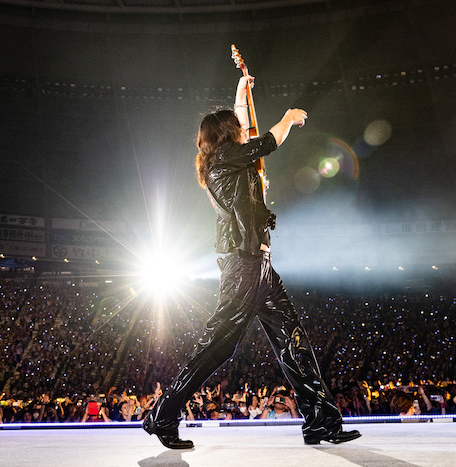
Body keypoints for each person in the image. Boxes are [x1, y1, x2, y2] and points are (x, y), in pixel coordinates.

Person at [142, 73, 360, 449]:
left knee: (292, 340)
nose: (244, 132)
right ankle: (162, 415)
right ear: (227, 135)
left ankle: (320, 421)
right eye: (237, 129)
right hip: (244, 266)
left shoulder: (226, 161)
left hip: (258, 265)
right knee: (218, 345)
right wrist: (289, 117)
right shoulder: (226, 159)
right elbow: (268, 140)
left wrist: (242, 92)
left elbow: (247, 130)